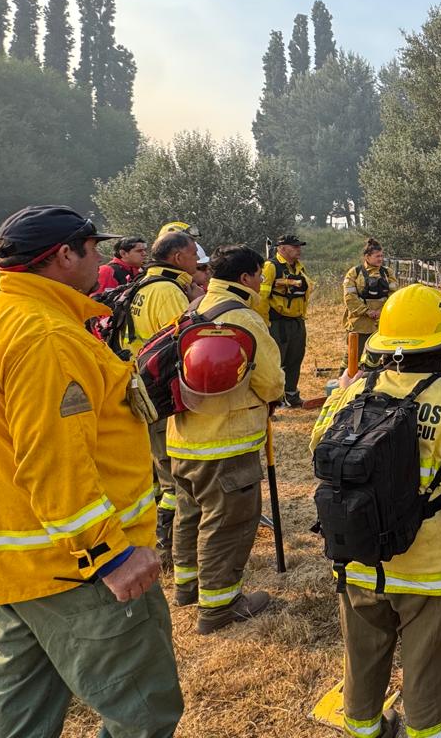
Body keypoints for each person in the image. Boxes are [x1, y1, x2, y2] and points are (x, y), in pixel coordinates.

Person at [0, 205, 183, 736]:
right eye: (92, 248)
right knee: (143, 713)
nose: (101, 257)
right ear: (63, 256)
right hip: (74, 568)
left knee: (23, 707)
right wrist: (111, 554)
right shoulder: (45, 339)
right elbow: (53, 463)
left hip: (19, 560)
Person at [311, 284, 441, 738]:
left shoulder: (355, 391)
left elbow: (319, 447)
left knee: (362, 651)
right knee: (428, 656)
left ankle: (363, 727)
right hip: (428, 564)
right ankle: (429, 732)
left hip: (357, 555)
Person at [170, 245, 285, 634]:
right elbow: (271, 382)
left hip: (182, 437)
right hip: (227, 442)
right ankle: (220, 605)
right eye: (259, 275)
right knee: (228, 522)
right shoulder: (244, 319)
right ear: (248, 277)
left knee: (190, 513)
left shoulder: (192, 308)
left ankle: (186, 587)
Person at [127, 230, 201, 564]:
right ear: (176, 257)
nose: (196, 261)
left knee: (157, 474)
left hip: (136, 389)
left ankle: (157, 540)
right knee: (174, 480)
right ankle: (168, 547)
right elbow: (186, 342)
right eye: (191, 255)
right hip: (159, 393)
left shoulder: (141, 285)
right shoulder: (169, 291)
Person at [261, 233, 311, 408]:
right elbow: (262, 297)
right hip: (277, 322)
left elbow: (307, 289)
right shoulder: (271, 267)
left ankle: (292, 394)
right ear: (281, 248)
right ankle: (273, 399)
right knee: (276, 362)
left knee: (295, 358)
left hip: (297, 321)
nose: (298, 249)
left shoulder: (299, 267)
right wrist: (264, 324)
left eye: (299, 246)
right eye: (294, 246)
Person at [342, 237, 397, 361]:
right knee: (352, 357)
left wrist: (382, 312)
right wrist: (367, 311)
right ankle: (345, 379)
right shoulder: (354, 273)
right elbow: (349, 297)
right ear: (367, 257)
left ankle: (372, 379)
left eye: (382, 256)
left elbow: (394, 296)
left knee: (375, 358)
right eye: (377, 256)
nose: (380, 259)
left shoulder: (388, 273)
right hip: (359, 323)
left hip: (381, 323)